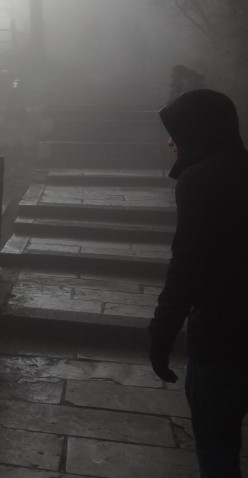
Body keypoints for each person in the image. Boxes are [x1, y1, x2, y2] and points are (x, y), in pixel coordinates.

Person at [149, 88, 248, 477]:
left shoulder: (199, 181)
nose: (170, 142)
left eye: (177, 132)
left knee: (218, 448)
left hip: (222, 337)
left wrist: (162, 331)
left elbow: (189, 264)